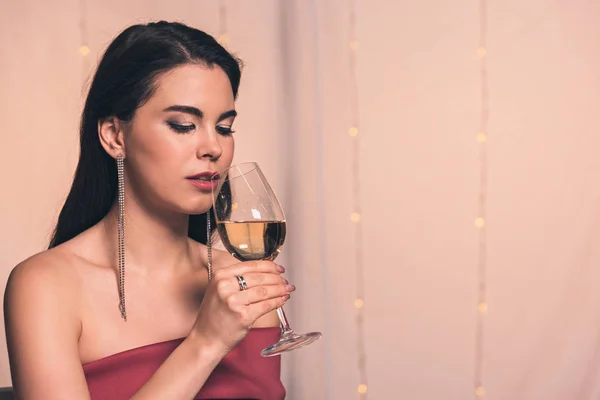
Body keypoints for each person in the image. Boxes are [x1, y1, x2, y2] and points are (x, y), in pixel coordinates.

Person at [3, 21, 293, 399]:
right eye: (183, 125)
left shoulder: (239, 286)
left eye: (224, 128)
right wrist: (206, 342)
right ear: (114, 136)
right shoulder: (47, 287)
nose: (213, 148)